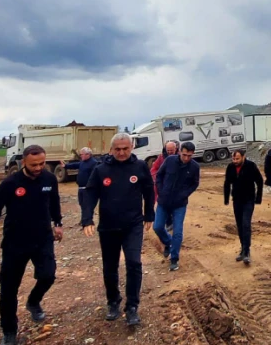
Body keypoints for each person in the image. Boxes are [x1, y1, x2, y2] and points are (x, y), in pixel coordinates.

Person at [0, 144, 63, 345]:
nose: (38, 168)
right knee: (8, 288)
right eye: (34, 164)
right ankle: (9, 332)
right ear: (23, 162)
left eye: (42, 163)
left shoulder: (49, 179)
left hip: (42, 239)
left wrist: (58, 223)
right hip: (15, 242)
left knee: (48, 276)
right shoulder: (10, 183)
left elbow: (54, 203)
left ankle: (33, 302)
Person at [81, 134, 154, 326]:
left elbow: (149, 190)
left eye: (125, 149)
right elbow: (90, 194)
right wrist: (87, 219)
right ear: (111, 149)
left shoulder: (140, 167)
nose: (121, 153)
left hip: (133, 224)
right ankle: (113, 301)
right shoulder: (101, 169)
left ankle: (132, 307)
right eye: (117, 149)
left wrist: (149, 215)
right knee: (110, 266)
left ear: (131, 148)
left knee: (134, 263)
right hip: (108, 226)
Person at [153, 142, 200, 272]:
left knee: (178, 232)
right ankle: (168, 243)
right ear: (179, 152)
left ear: (193, 154)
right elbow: (159, 175)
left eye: (189, 156)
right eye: (184, 155)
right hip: (164, 201)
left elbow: (195, 184)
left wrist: (184, 194)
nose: (186, 158)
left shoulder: (195, 167)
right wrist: (161, 190)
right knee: (157, 226)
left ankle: (174, 259)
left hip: (179, 204)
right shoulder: (169, 161)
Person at [223, 149, 263, 264]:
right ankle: (243, 248)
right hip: (237, 200)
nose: (235, 161)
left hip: (248, 199)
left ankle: (247, 251)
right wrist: (226, 198)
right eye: (233, 159)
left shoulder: (251, 166)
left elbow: (259, 181)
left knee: (246, 224)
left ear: (243, 157)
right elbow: (227, 183)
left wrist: (258, 197)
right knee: (240, 225)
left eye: (237, 159)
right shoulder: (230, 167)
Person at [150, 141, 178, 236]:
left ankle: (171, 222)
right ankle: (168, 222)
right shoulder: (161, 157)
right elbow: (153, 169)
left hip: (175, 187)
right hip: (162, 186)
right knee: (163, 204)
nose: (170, 152)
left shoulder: (180, 157)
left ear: (176, 149)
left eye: (171, 150)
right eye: (168, 150)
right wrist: (156, 177)